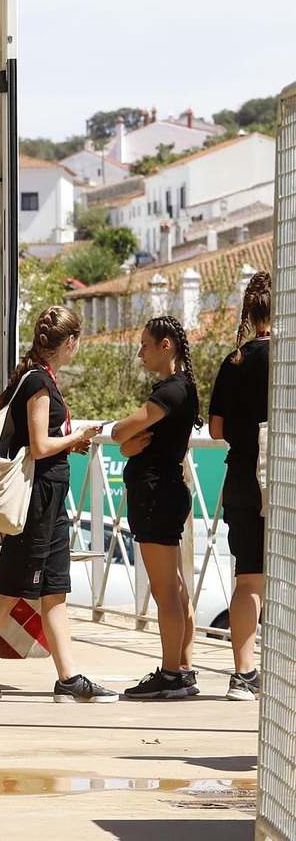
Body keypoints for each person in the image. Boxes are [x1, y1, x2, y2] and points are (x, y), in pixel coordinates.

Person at [0, 306, 113, 703]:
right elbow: (38, 446)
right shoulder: (38, 382)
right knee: (8, 590)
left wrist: (70, 441)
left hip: (50, 500)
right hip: (36, 502)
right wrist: (76, 437)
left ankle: (68, 678)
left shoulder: (37, 378)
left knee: (54, 591)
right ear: (69, 342)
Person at [111, 314, 201, 700]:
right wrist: (128, 446)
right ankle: (182, 667)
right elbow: (131, 440)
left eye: (146, 344)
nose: (140, 352)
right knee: (176, 588)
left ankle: (170, 675)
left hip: (156, 495)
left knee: (165, 590)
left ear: (167, 345)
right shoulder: (176, 388)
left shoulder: (171, 392)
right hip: (163, 492)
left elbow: (119, 430)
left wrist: (124, 441)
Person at [208, 270, 272, 700]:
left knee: (247, 578)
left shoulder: (233, 362)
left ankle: (243, 674)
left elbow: (215, 431)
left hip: (240, 477)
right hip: (279, 479)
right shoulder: (285, 360)